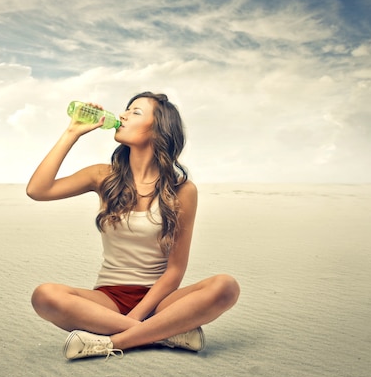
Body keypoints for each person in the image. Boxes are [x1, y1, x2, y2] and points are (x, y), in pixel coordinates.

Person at [26, 91, 239, 360]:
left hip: (161, 302)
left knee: (226, 286)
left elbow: (175, 270)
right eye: (126, 110)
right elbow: (38, 190)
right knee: (45, 296)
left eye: (135, 112)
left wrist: (139, 314)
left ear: (158, 130)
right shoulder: (103, 176)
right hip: (108, 300)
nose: (123, 115)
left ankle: (111, 342)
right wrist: (73, 132)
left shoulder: (182, 190)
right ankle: (164, 334)